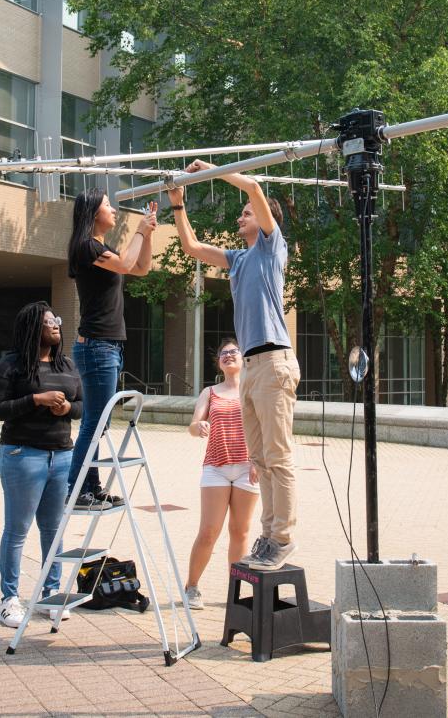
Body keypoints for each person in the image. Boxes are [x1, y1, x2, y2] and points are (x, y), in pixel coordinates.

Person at [168, 161, 300, 571]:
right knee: (258, 458)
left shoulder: (271, 246)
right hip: (252, 366)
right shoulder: (239, 259)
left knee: (277, 456)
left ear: (262, 222)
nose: (239, 216)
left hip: (275, 360)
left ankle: (283, 537)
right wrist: (178, 204)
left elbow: (255, 189)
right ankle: (267, 536)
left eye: (243, 213)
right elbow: (191, 248)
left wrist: (211, 170)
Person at [0, 301, 82, 629]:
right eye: (48, 322)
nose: (56, 325)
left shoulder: (67, 364)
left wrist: (67, 407)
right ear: (32, 328)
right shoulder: (11, 364)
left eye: (56, 319)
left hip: (62, 455)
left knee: (53, 529)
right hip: (22, 455)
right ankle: (9, 600)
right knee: (17, 530)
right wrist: (35, 400)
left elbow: (81, 406)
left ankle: (49, 594)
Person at [66, 190, 158, 510]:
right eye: (108, 205)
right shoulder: (87, 247)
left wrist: (147, 236)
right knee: (94, 421)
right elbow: (126, 264)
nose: (114, 210)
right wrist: (139, 230)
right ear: (93, 212)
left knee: (99, 422)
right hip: (97, 346)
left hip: (106, 347)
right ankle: (76, 490)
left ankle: (89, 487)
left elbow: (141, 267)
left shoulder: (100, 248)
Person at [183, 338, 258, 609]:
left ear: (243, 358)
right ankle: (191, 587)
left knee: (240, 532)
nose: (228, 355)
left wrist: (259, 462)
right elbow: (193, 425)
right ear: (219, 362)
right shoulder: (210, 392)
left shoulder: (253, 390)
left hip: (248, 468)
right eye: (223, 353)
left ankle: (235, 592)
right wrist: (199, 426)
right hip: (216, 466)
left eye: (233, 352)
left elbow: (263, 428)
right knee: (209, 531)